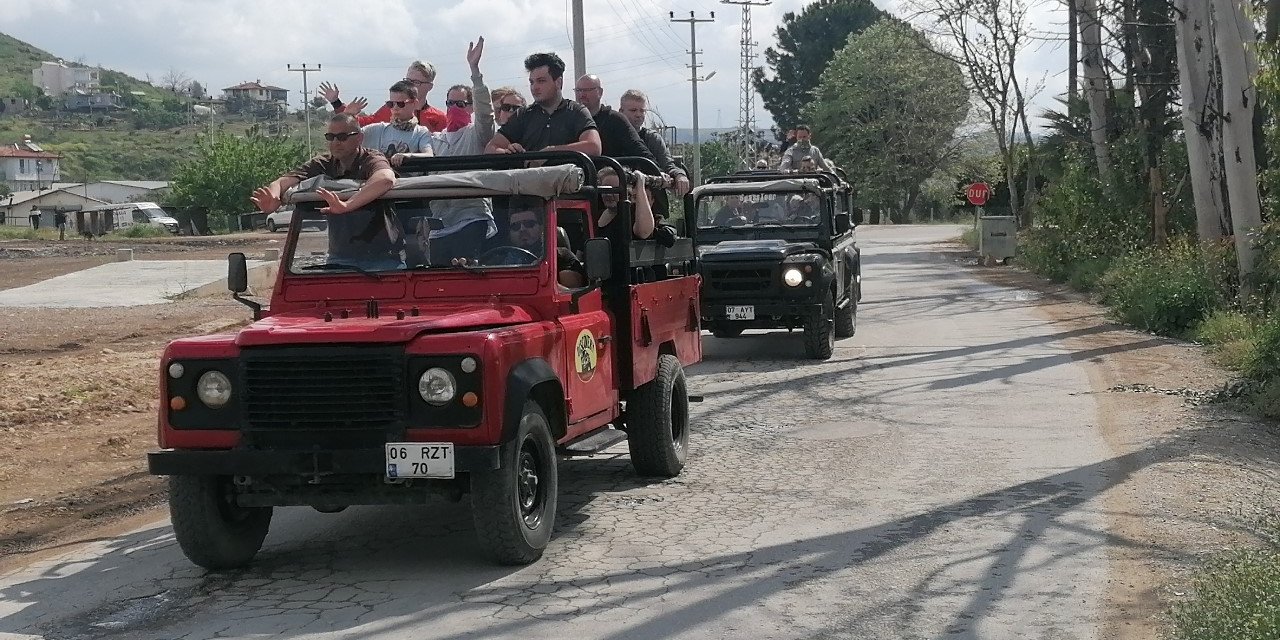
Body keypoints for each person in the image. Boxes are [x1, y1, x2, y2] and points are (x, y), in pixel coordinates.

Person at [251, 114, 400, 270]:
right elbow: (283, 181)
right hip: (340, 256)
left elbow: (385, 179)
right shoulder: (323, 163)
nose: (335, 142)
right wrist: (273, 196)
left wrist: (347, 206)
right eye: (331, 137)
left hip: (384, 257)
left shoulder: (371, 158)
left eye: (342, 137)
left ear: (359, 138)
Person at [424, 37, 500, 266]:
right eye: (450, 103)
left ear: (470, 107)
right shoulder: (434, 139)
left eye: (460, 104)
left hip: (471, 217)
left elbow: (486, 115)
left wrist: (475, 71)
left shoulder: (477, 134)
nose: (453, 108)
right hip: (439, 221)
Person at [485, 52, 601, 155]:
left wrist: (551, 152)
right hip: (529, 173)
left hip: (567, 173)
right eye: (532, 82)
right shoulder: (522, 115)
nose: (534, 87)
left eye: (541, 81)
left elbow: (594, 147)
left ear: (558, 82)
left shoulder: (576, 112)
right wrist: (511, 153)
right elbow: (491, 148)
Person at [320, 60, 448, 132]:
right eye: (407, 80)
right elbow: (361, 125)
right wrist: (336, 103)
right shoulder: (390, 109)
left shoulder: (438, 118)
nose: (410, 85)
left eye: (416, 82)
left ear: (429, 86)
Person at [619, 89, 691, 196]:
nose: (638, 114)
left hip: (650, 196)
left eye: (642, 111)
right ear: (621, 112)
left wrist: (679, 175)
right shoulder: (612, 136)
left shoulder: (652, 138)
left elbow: (667, 164)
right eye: (633, 110)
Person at [503, 197, 584, 287]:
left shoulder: (561, 256)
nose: (522, 229)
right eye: (515, 226)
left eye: (529, 224)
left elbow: (571, 288)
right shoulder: (499, 260)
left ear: (542, 228)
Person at [572, 76, 653, 161]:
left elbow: (643, 155)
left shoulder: (615, 120)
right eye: (578, 90)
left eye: (587, 90)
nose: (582, 95)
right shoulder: (569, 121)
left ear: (600, 92)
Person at [360, 81, 434, 167]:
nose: (395, 108)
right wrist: (349, 114)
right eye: (391, 104)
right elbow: (352, 136)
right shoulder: (378, 129)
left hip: (409, 175)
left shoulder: (421, 132)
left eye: (400, 104)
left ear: (414, 103)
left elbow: (429, 155)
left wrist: (407, 156)